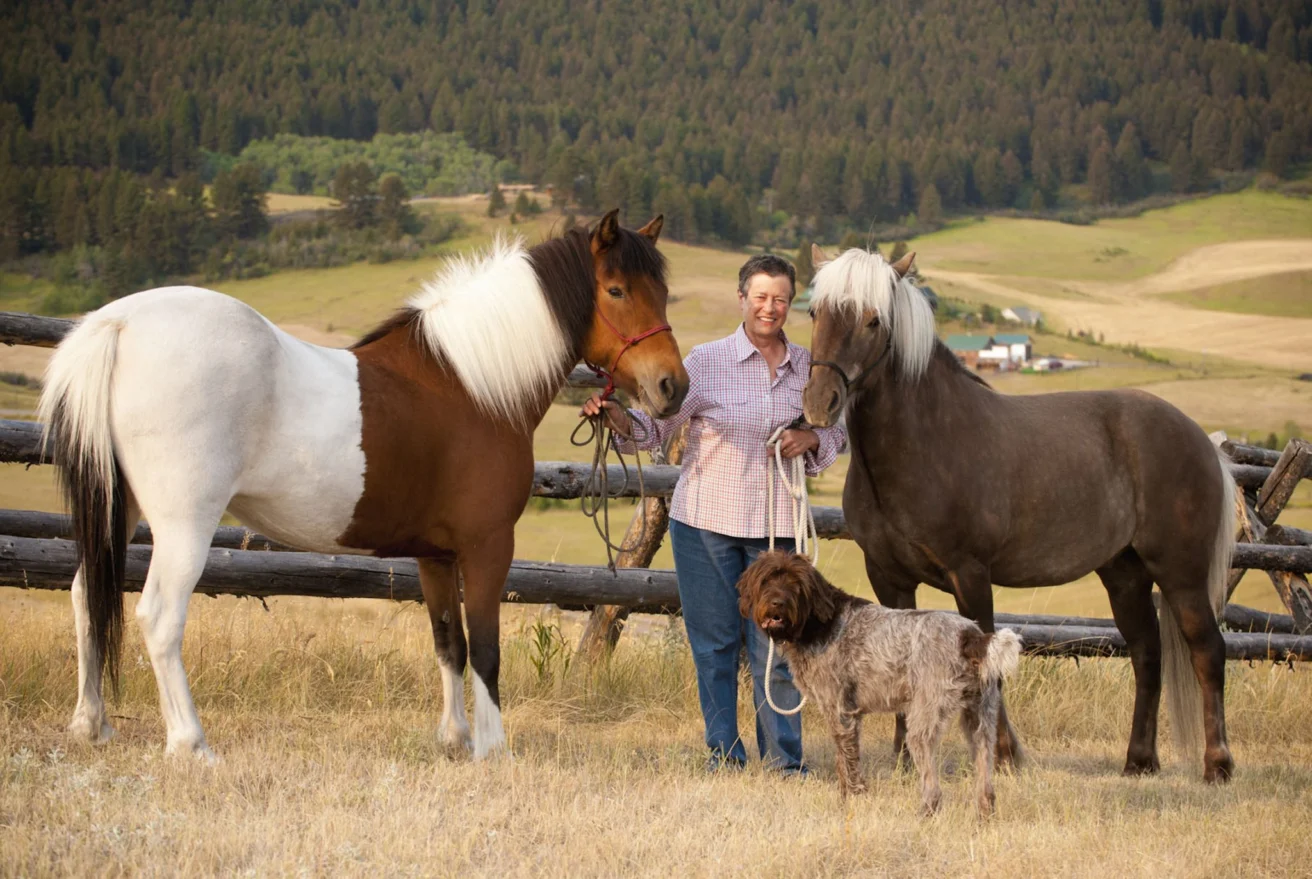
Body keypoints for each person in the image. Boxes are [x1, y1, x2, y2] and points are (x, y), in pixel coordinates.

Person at [582, 253, 847, 774]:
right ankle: (723, 756)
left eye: (781, 299)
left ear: (791, 306)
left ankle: (783, 763)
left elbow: (836, 432)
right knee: (715, 645)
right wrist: (616, 418)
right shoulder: (706, 363)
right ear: (742, 298)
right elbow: (654, 430)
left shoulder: (805, 370)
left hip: (776, 530)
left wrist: (810, 436)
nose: (770, 308)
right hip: (705, 523)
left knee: (777, 647)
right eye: (761, 297)